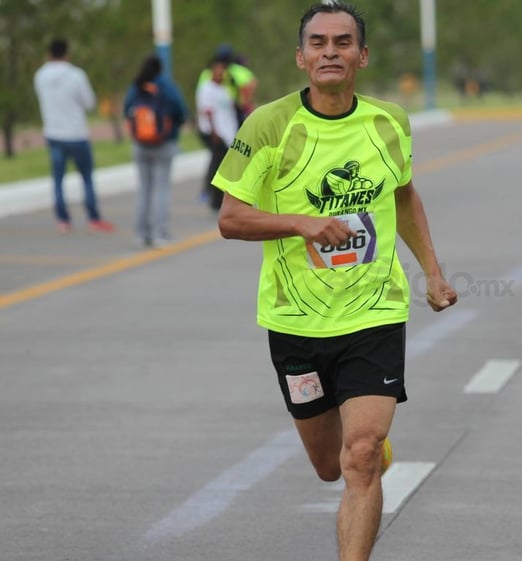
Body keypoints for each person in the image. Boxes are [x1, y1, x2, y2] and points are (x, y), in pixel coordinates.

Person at [212, 3, 457, 561]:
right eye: (318, 43)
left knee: (361, 454)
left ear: (361, 56)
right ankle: (365, 453)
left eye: (343, 42)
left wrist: (433, 274)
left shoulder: (388, 121)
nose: (330, 52)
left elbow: (403, 194)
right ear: (301, 57)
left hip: (374, 311)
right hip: (294, 320)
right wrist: (300, 223)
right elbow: (230, 219)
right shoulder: (269, 125)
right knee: (330, 465)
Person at [33, 38, 115, 234]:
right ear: (67, 54)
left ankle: (63, 220)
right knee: (86, 177)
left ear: (49, 53)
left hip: (53, 133)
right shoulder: (76, 75)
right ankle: (93, 218)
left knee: (58, 179)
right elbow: (89, 103)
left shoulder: (40, 75)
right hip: (77, 133)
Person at [122, 54, 188, 248]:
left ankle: (141, 234)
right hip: (164, 143)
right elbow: (180, 110)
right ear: (161, 68)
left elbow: (127, 110)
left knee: (144, 189)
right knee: (161, 189)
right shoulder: (166, 86)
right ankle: (160, 234)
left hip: (140, 145)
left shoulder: (136, 86)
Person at [195, 56, 240, 211]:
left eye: (223, 70)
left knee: (222, 166)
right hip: (217, 133)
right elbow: (207, 111)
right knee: (217, 166)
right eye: (217, 70)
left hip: (228, 133)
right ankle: (212, 197)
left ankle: (219, 198)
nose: (220, 73)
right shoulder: (207, 89)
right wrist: (214, 131)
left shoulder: (223, 89)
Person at [195, 43, 258, 124]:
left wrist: (245, 102)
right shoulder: (235, 70)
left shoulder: (209, 72)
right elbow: (252, 82)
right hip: (218, 106)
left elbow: (252, 83)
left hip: (230, 106)